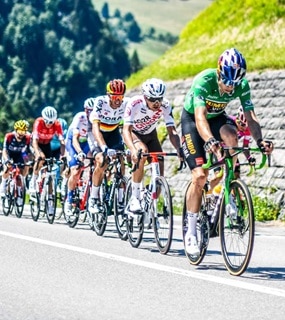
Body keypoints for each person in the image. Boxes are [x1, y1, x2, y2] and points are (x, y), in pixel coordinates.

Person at [181, 48, 274, 256]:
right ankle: (191, 232)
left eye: (234, 83)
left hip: (218, 118)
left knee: (232, 136)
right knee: (200, 175)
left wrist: (259, 141)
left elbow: (250, 117)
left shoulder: (241, 85)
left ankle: (229, 186)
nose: (230, 87)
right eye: (226, 81)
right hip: (194, 121)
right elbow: (200, 118)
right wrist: (209, 140)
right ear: (219, 72)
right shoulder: (204, 81)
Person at [123, 78, 183, 213]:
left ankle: (151, 199)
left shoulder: (165, 105)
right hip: (135, 133)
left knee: (160, 167)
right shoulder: (135, 103)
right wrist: (132, 149)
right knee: (141, 153)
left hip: (151, 134)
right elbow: (126, 130)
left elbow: (172, 131)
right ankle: (135, 197)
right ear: (145, 97)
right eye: (152, 99)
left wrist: (179, 149)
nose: (157, 103)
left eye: (159, 99)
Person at [88, 79, 128, 214]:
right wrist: (104, 147)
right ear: (108, 95)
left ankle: (121, 200)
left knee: (121, 162)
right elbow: (95, 127)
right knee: (101, 161)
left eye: (121, 96)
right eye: (115, 96)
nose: (118, 100)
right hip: (98, 134)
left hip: (113, 133)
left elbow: (128, 127)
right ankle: (93, 198)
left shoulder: (126, 104)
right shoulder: (100, 102)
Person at [64, 98, 96, 215]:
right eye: (89, 110)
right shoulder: (80, 117)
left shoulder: (97, 119)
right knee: (75, 171)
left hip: (87, 142)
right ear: (85, 110)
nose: (91, 113)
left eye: (93, 111)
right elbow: (75, 140)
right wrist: (79, 152)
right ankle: (69, 199)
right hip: (73, 142)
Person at [29, 106, 65, 199]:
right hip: (36, 143)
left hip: (46, 144)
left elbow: (62, 141)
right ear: (43, 119)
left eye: (51, 122)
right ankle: (33, 181)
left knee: (50, 165)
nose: (49, 124)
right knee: (41, 158)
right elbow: (34, 141)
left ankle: (46, 187)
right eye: (47, 121)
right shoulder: (39, 122)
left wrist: (62, 155)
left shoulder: (57, 124)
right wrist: (37, 153)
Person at [0, 120, 32, 203]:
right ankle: (3, 185)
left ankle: (19, 192)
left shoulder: (27, 138)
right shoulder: (9, 136)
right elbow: (5, 150)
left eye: (23, 131)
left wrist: (28, 161)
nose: (21, 134)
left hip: (19, 155)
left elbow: (27, 152)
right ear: (15, 130)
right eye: (19, 131)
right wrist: (7, 160)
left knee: (23, 170)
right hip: (8, 154)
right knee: (7, 167)